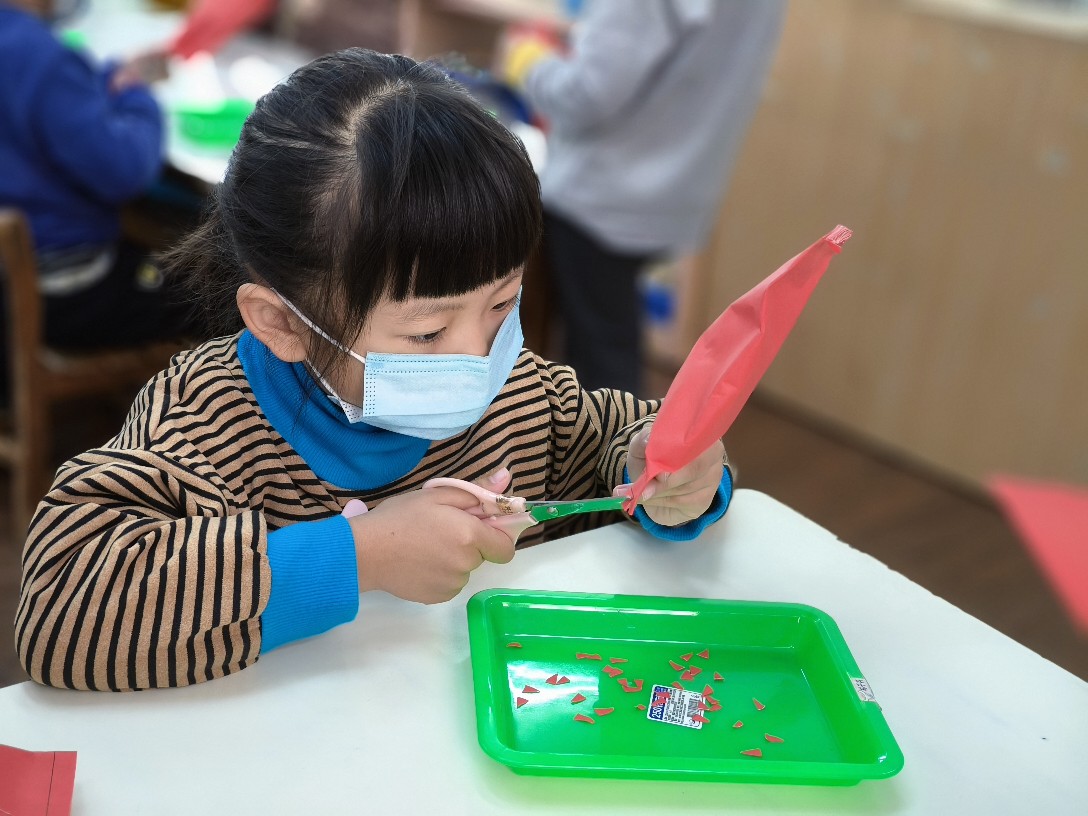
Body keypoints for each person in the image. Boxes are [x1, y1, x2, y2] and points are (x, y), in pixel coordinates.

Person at [15, 49, 734, 692]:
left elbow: (628, 446)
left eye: (502, 303)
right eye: (428, 331)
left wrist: (672, 472)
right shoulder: (205, 422)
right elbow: (59, 615)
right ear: (284, 324)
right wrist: (360, 556)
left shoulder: (522, 395)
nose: (479, 354)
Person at [498, 0, 786, 395]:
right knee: (609, 338)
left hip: (602, 198)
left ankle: (615, 434)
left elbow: (586, 95)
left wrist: (526, 60)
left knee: (599, 363)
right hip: (670, 191)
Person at [0, 0, 199, 403]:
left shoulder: (33, 54)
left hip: (13, 278)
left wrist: (103, 79)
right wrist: (138, 97)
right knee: (211, 288)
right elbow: (127, 173)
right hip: (59, 296)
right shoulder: (41, 58)